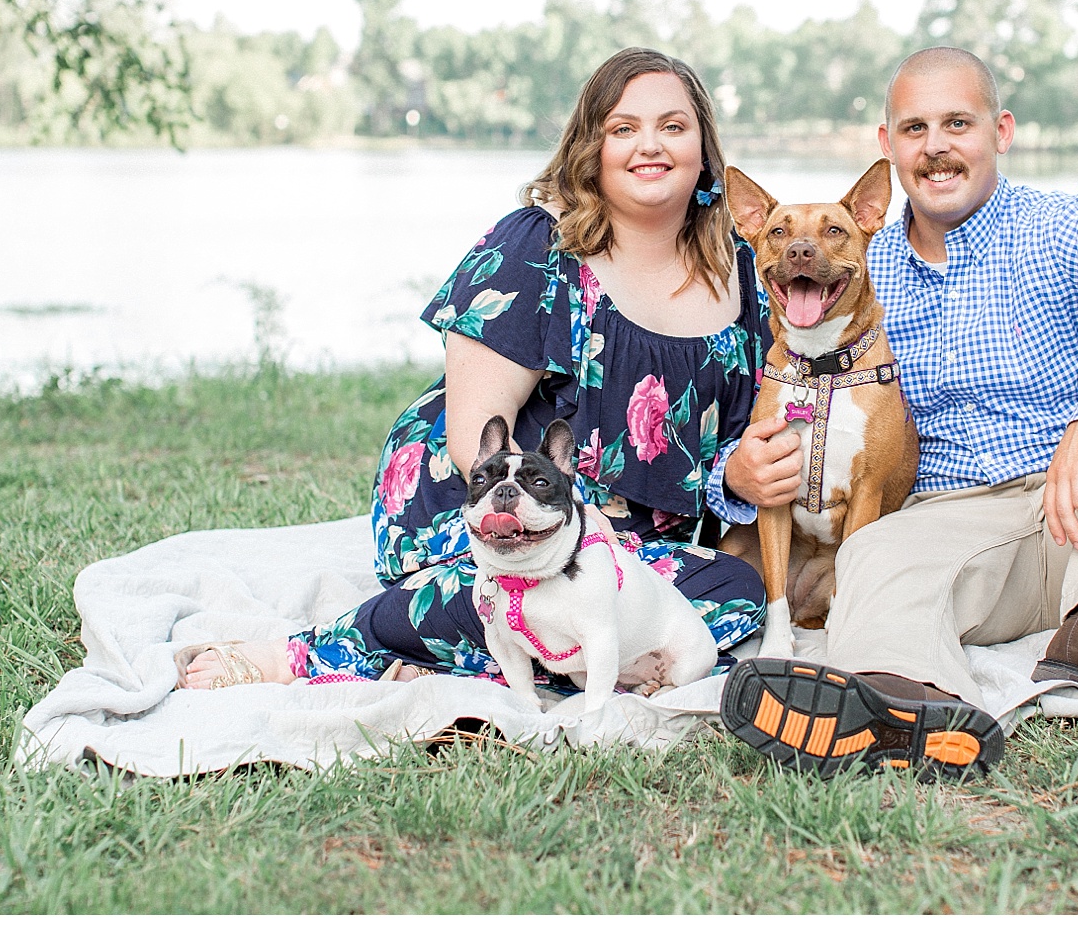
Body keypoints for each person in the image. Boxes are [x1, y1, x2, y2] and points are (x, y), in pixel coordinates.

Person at [712, 46, 1078, 779]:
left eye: (957, 122)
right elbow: (771, 398)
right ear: (888, 146)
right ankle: (902, 701)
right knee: (873, 554)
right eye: (915, 127)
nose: (935, 146)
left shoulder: (1062, 228)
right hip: (955, 526)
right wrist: (735, 473)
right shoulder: (849, 266)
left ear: (1001, 131)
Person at [179, 48, 770, 690]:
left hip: (630, 553)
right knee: (517, 587)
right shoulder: (539, 249)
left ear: (704, 149)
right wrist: (553, 537)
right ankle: (315, 654)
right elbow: (475, 437)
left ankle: (507, 659)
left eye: (673, 127)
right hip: (502, 505)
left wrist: (738, 476)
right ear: (590, 150)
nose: (650, 145)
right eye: (623, 128)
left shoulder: (743, 272)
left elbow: (724, 448)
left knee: (737, 591)